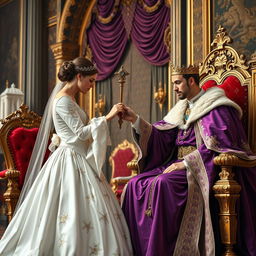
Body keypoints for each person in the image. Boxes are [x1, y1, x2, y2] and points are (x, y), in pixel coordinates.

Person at [0, 57, 133, 255]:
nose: (92, 85)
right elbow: (80, 134)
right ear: (79, 76)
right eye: (91, 81)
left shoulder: (70, 99)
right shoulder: (62, 101)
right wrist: (108, 116)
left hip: (78, 156)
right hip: (69, 159)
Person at [121, 65, 256, 256]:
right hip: (179, 165)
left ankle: (166, 250)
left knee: (162, 183)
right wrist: (135, 119)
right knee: (135, 184)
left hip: (201, 168)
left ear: (191, 81)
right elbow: (163, 137)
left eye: (177, 83)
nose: (174, 88)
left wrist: (185, 163)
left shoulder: (216, 107)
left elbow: (220, 145)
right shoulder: (182, 108)